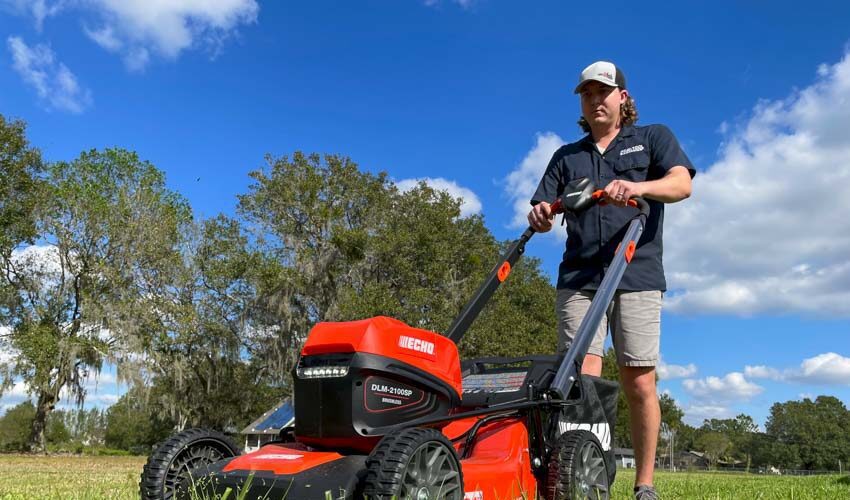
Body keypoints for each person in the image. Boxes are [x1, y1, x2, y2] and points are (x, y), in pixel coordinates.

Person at [527, 61, 695, 500]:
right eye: (587, 93)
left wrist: (638, 188)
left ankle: (644, 483)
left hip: (635, 271)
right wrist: (541, 214)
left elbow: (681, 185)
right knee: (579, 378)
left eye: (604, 91)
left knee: (638, 378)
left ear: (623, 97)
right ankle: (583, 475)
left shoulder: (652, 137)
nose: (595, 100)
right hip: (580, 276)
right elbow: (542, 208)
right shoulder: (567, 156)